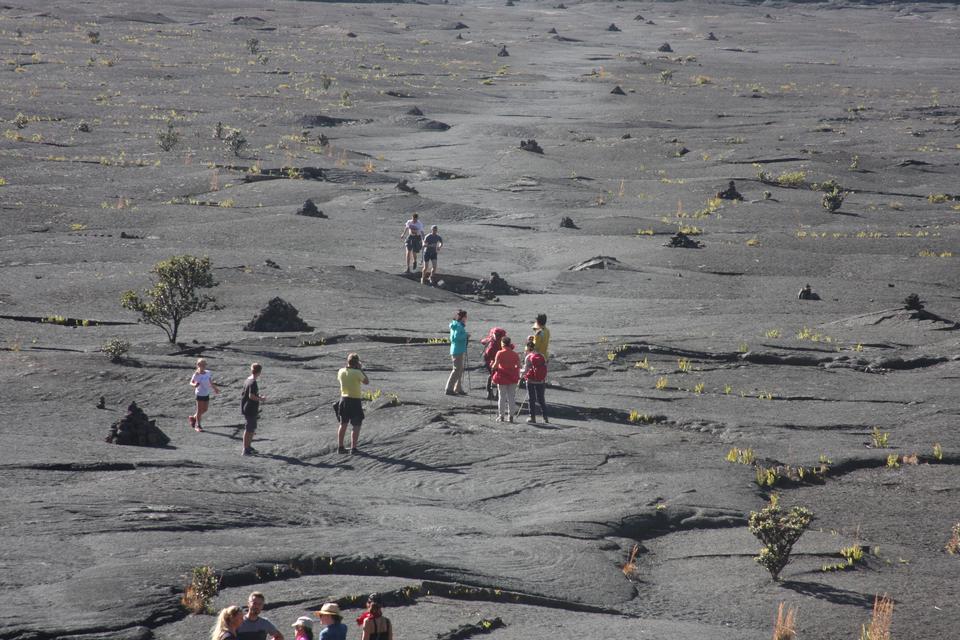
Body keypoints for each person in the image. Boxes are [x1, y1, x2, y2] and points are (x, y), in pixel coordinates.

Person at [337, 352, 369, 454]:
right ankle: (353, 448)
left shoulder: (341, 371)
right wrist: (360, 369)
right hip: (355, 400)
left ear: (348, 361)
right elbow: (366, 381)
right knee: (356, 425)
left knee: (343, 424)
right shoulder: (357, 372)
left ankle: (340, 447)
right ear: (357, 363)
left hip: (344, 400)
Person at [491, 336, 520, 422]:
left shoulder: (500, 353)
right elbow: (519, 366)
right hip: (513, 377)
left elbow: (495, 366)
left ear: (502, 344)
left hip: (502, 377)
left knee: (502, 397)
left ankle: (501, 416)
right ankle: (511, 417)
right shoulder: (515, 354)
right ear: (509, 344)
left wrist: (492, 364)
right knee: (511, 397)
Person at [240, 363, 266, 456]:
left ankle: (248, 446)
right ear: (259, 372)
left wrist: (258, 396)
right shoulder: (253, 382)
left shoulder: (248, 380)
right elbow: (251, 396)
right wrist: (261, 399)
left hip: (248, 407)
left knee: (251, 428)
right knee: (249, 429)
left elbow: (247, 394)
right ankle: (245, 449)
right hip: (250, 408)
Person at [520, 340, 548, 423]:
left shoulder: (528, 357)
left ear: (528, 348)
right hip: (541, 381)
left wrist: (519, 372)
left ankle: (532, 417)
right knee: (541, 399)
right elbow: (545, 367)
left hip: (531, 381)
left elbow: (525, 370)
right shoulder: (542, 356)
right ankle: (545, 417)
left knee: (531, 399)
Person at [189, 358, 220, 432]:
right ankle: (198, 426)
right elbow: (191, 382)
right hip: (199, 393)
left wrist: (215, 388)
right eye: (202, 364)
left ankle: (193, 418)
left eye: (205, 364)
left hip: (206, 393)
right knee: (199, 411)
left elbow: (210, 382)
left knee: (205, 409)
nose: (204, 366)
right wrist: (195, 385)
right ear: (198, 365)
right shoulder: (196, 374)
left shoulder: (208, 372)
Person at [445, 309, 469, 396]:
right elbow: (455, 338)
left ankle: (458, 388)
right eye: (466, 316)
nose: (467, 318)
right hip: (457, 350)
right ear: (462, 317)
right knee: (456, 369)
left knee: (459, 369)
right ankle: (449, 389)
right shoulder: (459, 326)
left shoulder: (456, 325)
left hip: (457, 349)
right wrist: (465, 335)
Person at [480, 327, 507, 400]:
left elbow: (482, 341)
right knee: (499, 377)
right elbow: (510, 346)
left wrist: (489, 338)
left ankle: (490, 393)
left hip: (489, 361)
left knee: (491, 376)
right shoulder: (501, 341)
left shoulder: (491, 340)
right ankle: (498, 395)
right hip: (496, 361)